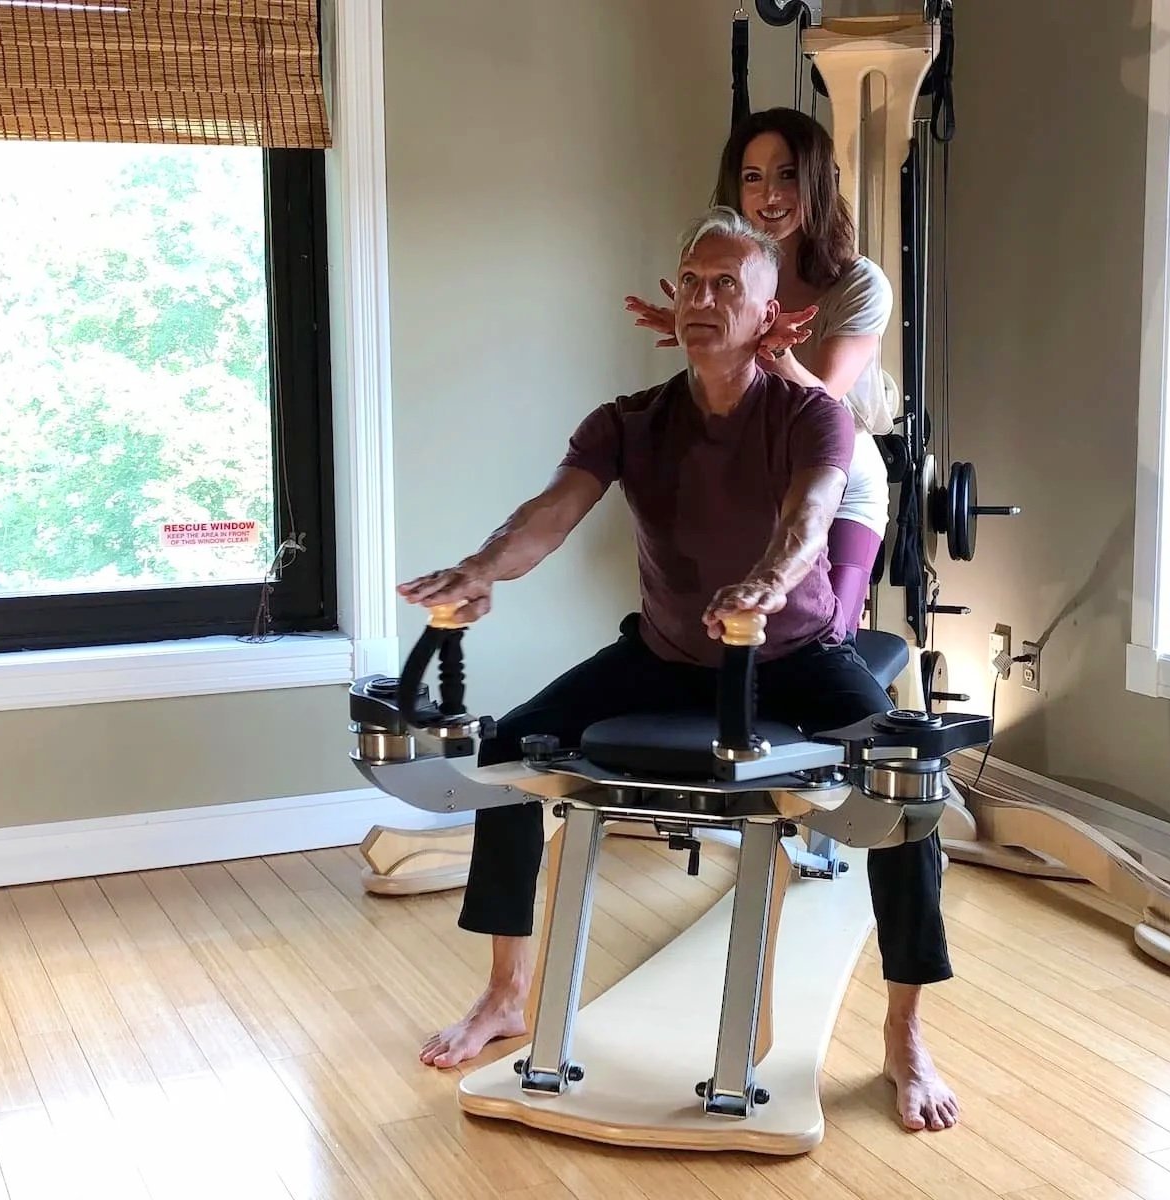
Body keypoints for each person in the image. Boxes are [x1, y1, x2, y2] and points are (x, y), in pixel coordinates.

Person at [397, 207, 959, 1134]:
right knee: (503, 755)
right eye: (690, 281)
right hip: (664, 656)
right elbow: (548, 513)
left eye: (726, 285)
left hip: (798, 657)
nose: (702, 298)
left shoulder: (810, 415)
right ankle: (506, 994)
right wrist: (481, 569)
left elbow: (814, 510)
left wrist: (773, 581)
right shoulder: (630, 422)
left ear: (772, 314)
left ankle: (905, 1038)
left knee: (911, 794)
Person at [625, 107, 894, 641]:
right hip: (758, 475)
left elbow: (822, 404)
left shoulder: (861, 283)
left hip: (843, 477)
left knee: (829, 638)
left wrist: (764, 348)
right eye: (753, 178)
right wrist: (698, 326)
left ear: (816, 180)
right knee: (732, 633)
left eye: (787, 175)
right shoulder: (724, 281)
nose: (770, 195)